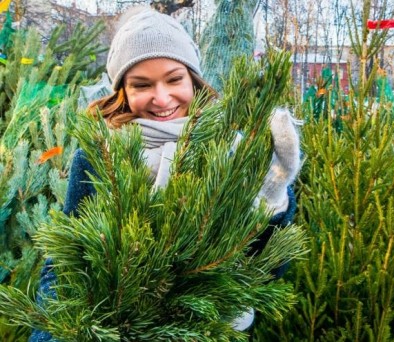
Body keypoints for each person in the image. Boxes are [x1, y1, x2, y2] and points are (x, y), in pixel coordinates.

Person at [30, 6, 300, 341]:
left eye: (174, 79)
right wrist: (56, 334)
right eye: (142, 85)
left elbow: (267, 272)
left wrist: (271, 199)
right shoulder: (98, 156)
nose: (161, 98)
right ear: (122, 92)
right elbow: (62, 264)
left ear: (194, 79)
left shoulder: (230, 153)